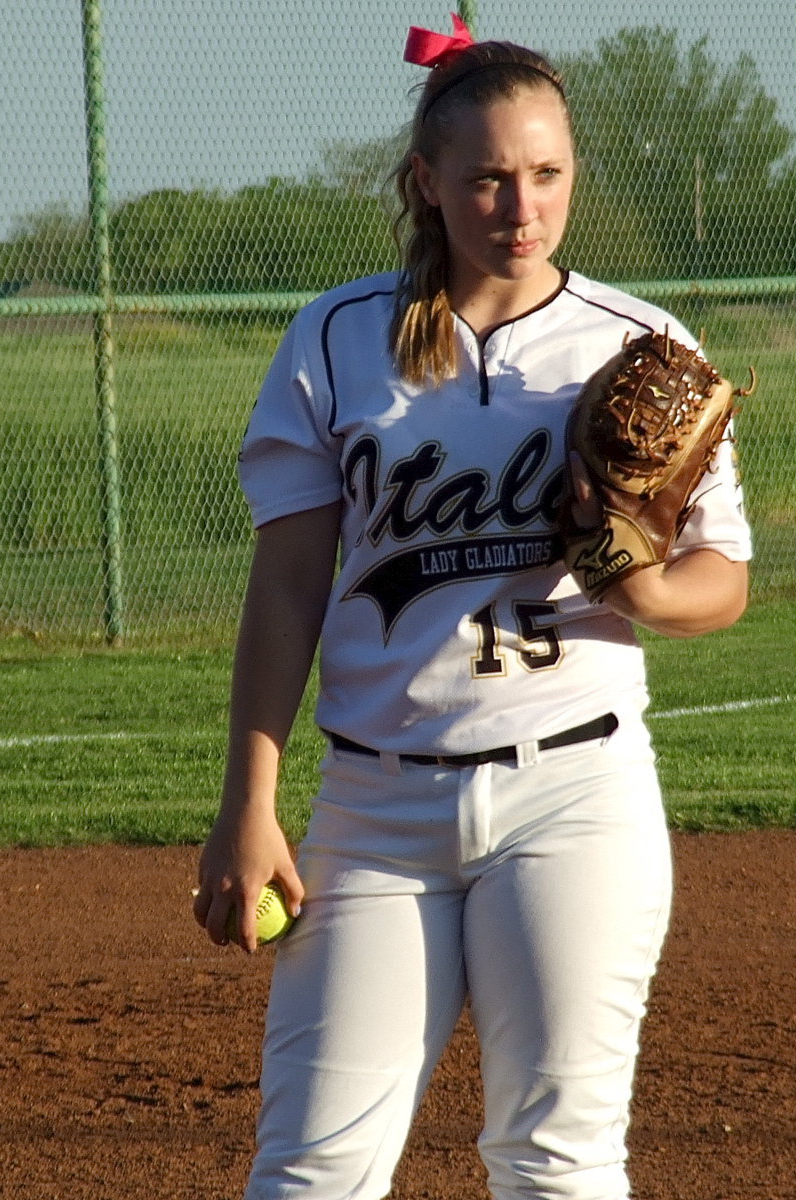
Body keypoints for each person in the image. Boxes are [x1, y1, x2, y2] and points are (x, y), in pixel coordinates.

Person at [193, 15, 751, 1200]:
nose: (521, 205)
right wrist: (250, 801)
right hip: (374, 801)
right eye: (490, 176)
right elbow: (286, 589)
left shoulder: (637, 343)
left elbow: (723, 583)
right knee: (309, 1168)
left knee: (558, 1163)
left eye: (546, 174)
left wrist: (643, 585)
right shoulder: (336, 340)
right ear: (426, 182)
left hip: (576, 791)